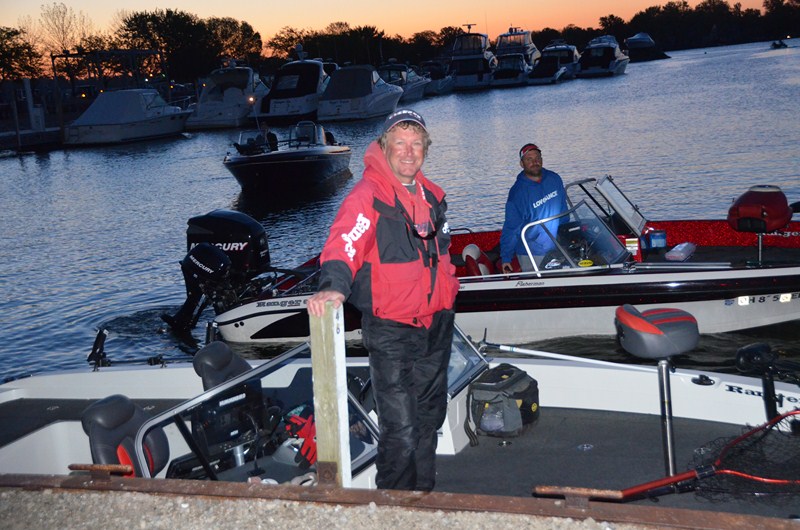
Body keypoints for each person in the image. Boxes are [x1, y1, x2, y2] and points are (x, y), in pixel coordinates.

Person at [306, 109, 460, 491]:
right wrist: (334, 285)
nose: (408, 152)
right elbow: (344, 243)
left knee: (429, 420)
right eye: (400, 143)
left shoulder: (433, 196)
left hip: (437, 324)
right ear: (384, 147)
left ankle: (421, 501)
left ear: (425, 149)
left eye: (416, 144)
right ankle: (392, 506)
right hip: (392, 330)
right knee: (401, 431)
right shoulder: (367, 196)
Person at [499, 143, 567, 272]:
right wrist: (506, 258)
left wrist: (566, 236)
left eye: (537, 158)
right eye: (529, 159)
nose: (534, 162)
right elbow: (511, 228)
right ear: (522, 164)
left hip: (557, 247)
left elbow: (563, 211)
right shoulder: (517, 193)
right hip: (532, 253)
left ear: (541, 160)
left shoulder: (554, 179)